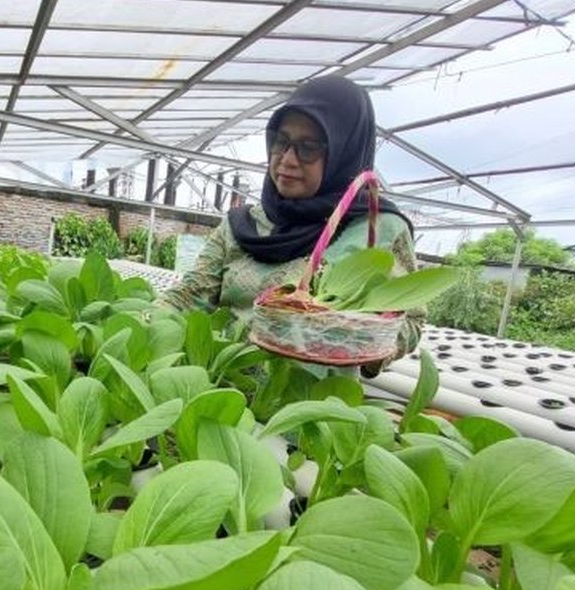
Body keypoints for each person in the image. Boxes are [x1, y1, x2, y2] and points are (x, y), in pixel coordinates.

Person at [158, 76, 423, 376]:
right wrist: (143, 321)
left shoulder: (379, 228)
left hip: (313, 409)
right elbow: (190, 295)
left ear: (343, 151)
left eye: (308, 148)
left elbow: (411, 321)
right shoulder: (241, 225)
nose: (287, 159)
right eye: (281, 142)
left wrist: (363, 341)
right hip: (222, 394)